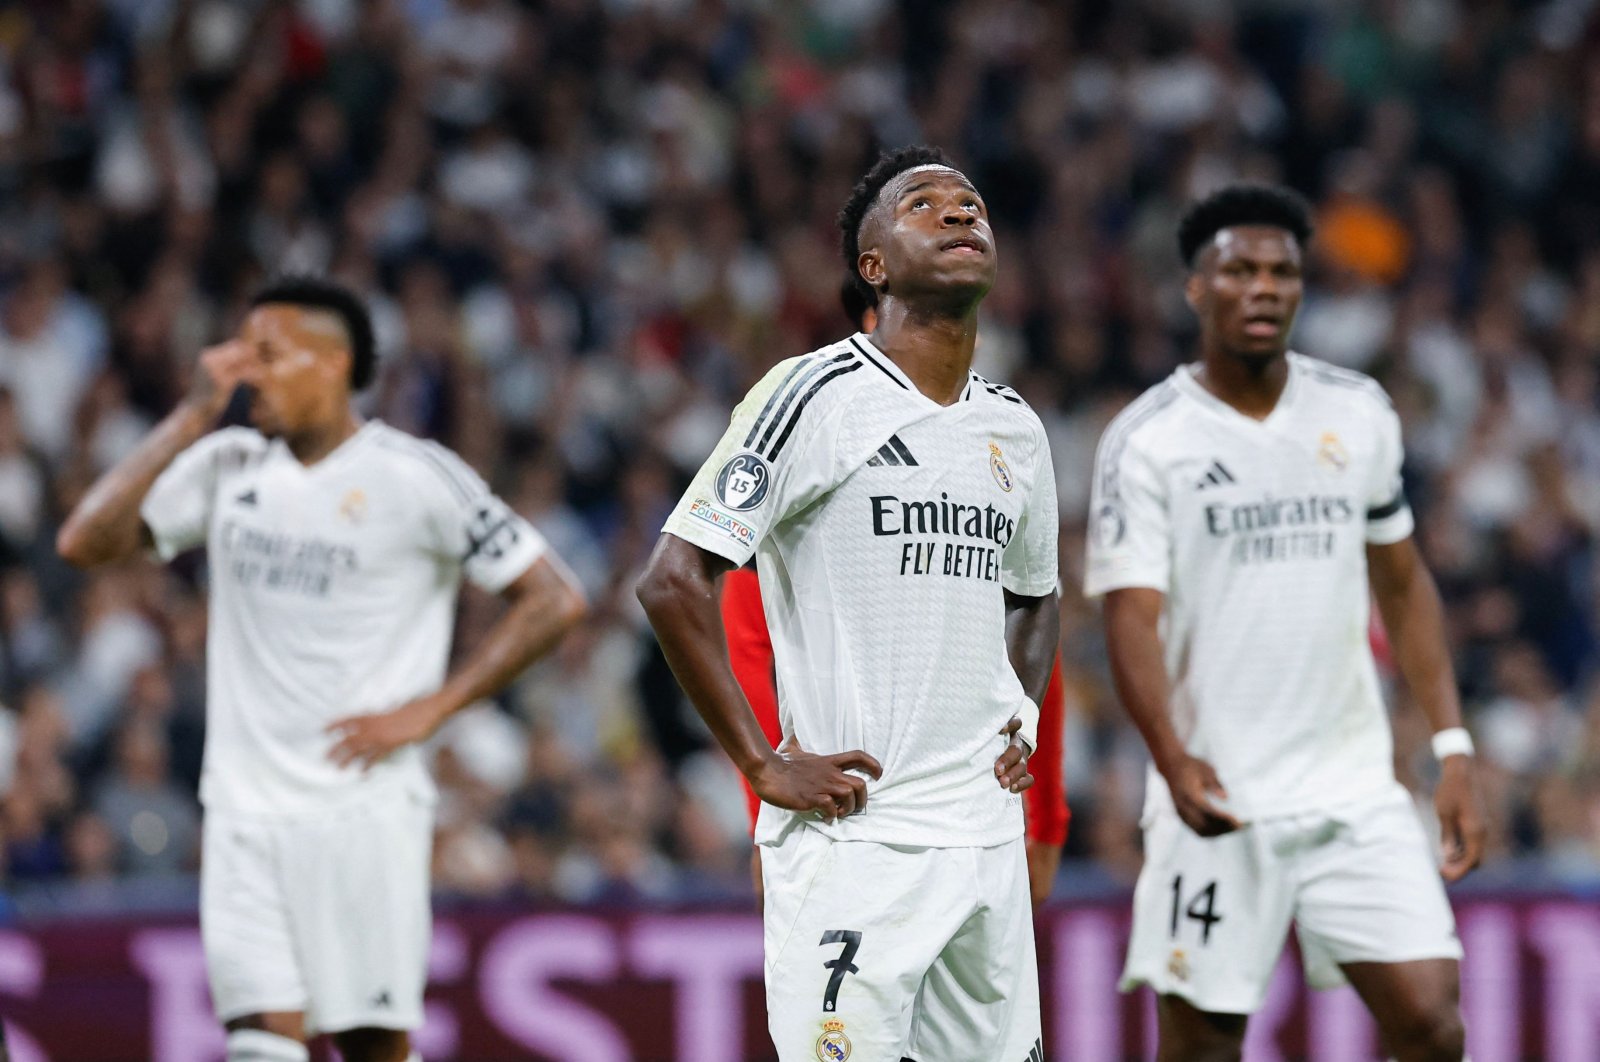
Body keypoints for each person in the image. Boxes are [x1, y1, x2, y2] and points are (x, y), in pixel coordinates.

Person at [57, 276, 587, 1062]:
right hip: (242, 811)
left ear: (333, 363)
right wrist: (192, 413)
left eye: (267, 353)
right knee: (259, 1044)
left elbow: (553, 598)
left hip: (362, 812)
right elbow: (85, 543)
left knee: (370, 1045)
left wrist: (432, 710)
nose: (246, 370)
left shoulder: (416, 475)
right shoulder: (228, 465)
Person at [638, 145, 1059, 1062]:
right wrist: (759, 763)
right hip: (854, 839)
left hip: (983, 840)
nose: (959, 214)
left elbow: (1036, 594)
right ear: (873, 267)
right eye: (924, 204)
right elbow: (672, 579)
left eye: (971, 202)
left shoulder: (1014, 428)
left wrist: (1019, 714)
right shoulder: (813, 394)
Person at [1085, 185, 1485, 1061]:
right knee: (1203, 1047)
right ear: (1197, 288)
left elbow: (1406, 585)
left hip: (1352, 789)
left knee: (1431, 1022)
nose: (1263, 287)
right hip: (1219, 792)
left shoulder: (1358, 412)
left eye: (1283, 272)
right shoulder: (1149, 440)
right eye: (1240, 270)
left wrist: (1451, 748)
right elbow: (1129, 619)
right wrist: (1172, 758)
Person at [721, 278, 1069, 910]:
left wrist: (1044, 816)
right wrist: (763, 790)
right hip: (850, 817)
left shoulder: (1001, 431)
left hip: (975, 818)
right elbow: (748, 643)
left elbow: (1030, 622)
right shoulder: (816, 420)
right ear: (873, 321)